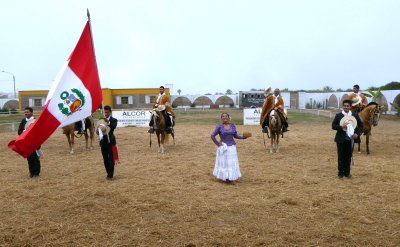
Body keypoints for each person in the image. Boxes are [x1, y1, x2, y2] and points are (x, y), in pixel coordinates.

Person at [211, 113, 249, 182]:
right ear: (221, 118)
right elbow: (212, 136)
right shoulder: (219, 126)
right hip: (223, 148)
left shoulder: (232, 125)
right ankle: (225, 177)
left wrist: (243, 137)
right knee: (224, 163)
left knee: (231, 163)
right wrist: (218, 144)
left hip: (232, 148)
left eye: (226, 116)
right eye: (223, 116)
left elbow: (236, 135)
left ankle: (231, 177)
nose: (224, 117)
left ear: (229, 117)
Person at [332, 99, 363, 179]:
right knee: (341, 157)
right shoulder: (338, 115)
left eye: (348, 106)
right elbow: (333, 126)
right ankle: (340, 174)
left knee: (348, 157)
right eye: (345, 106)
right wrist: (341, 127)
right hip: (340, 139)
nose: (346, 107)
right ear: (343, 106)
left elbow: (361, 125)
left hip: (350, 140)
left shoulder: (354, 115)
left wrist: (357, 133)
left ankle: (347, 173)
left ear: (350, 106)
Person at [17, 107, 41, 178]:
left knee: (35, 158)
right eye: (25, 112)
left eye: (27, 112)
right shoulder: (23, 121)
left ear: (31, 112)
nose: (26, 113)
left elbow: (38, 132)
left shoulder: (35, 121)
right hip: (26, 143)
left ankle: (36, 173)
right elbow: (19, 131)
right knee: (29, 158)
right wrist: (24, 132)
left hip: (33, 143)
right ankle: (31, 172)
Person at [96, 105, 118, 181]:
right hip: (103, 142)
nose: (106, 114)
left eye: (107, 112)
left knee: (111, 159)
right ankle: (108, 172)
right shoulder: (100, 120)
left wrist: (108, 122)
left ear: (110, 112)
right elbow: (98, 129)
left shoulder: (114, 120)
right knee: (105, 159)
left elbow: (113, 127)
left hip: (111, 141)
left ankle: (110, 175)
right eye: (105, 112)